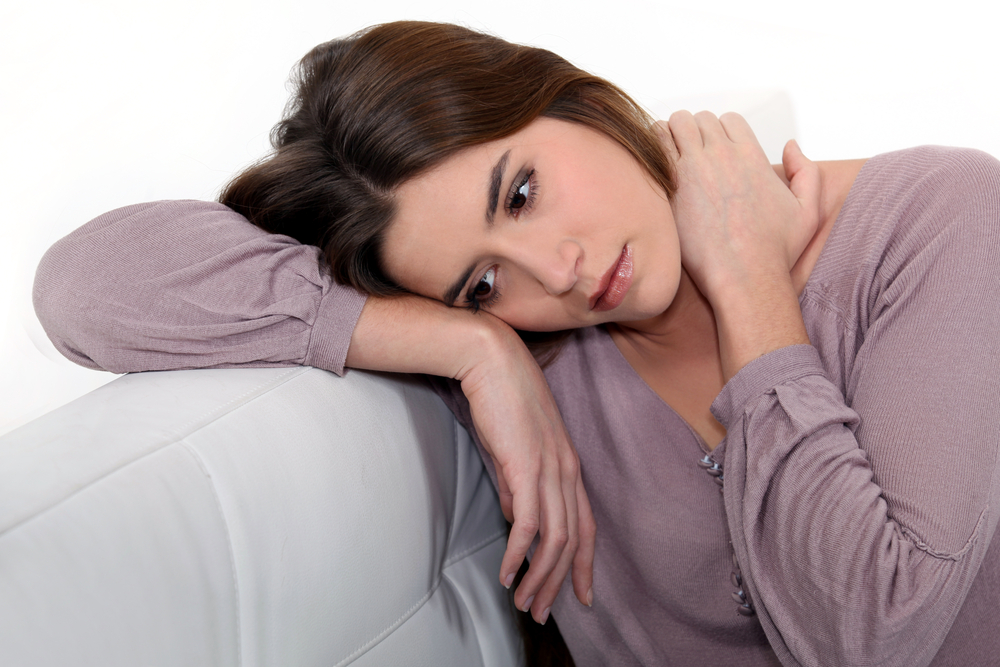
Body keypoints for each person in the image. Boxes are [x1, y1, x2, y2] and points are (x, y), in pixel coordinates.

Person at [33, 20, 1000, 667]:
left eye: (522, 193)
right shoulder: (530, 354)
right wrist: (468, 346)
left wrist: (748, 283)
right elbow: (82, 288)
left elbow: (869, 635)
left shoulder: (937, 217)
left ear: (563, 95)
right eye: (484, 281)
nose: (560, 271)